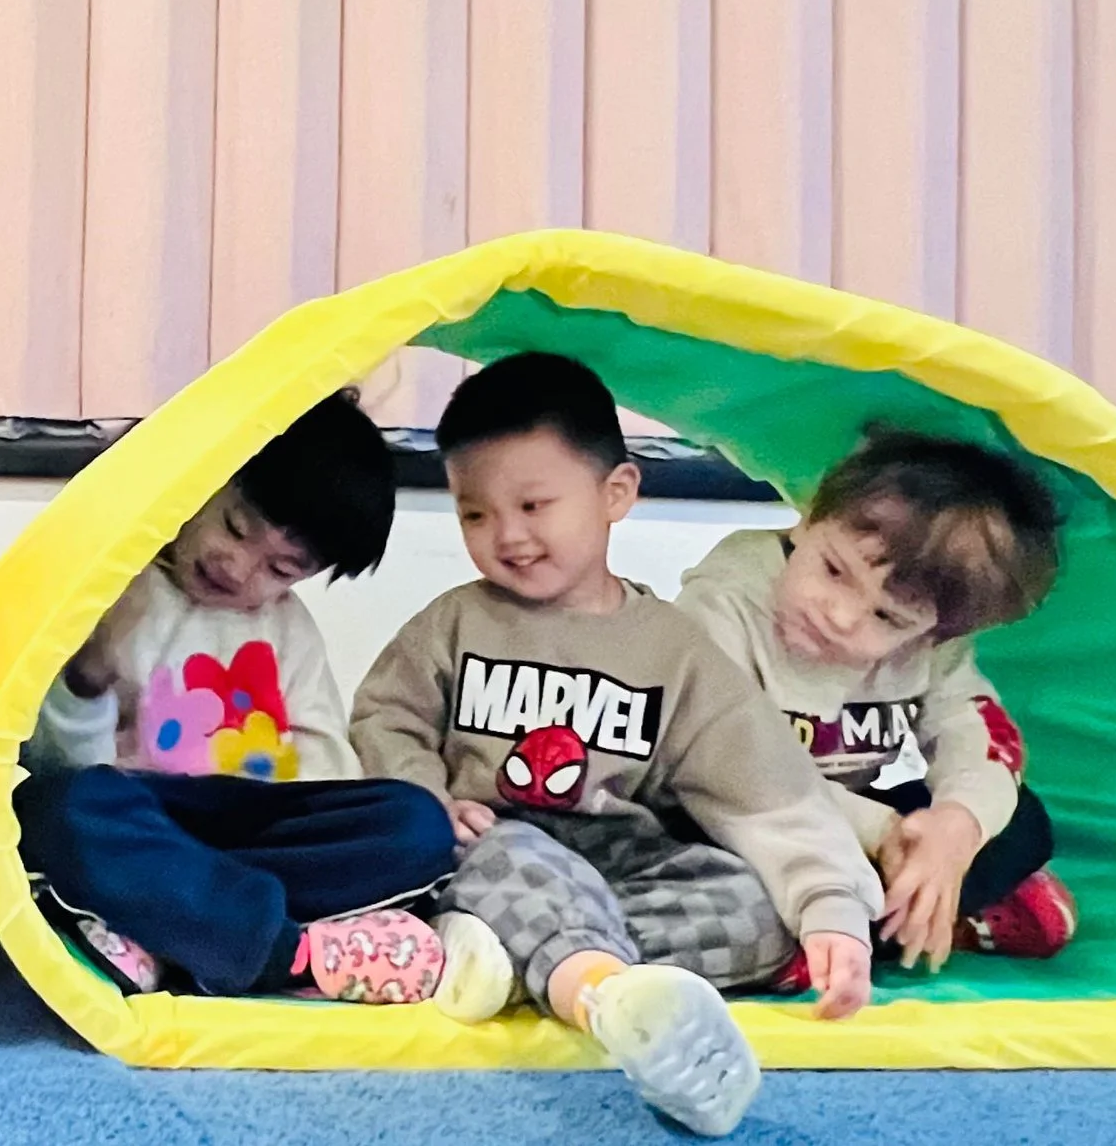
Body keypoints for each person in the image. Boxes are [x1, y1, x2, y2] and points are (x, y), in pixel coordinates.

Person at [352, 352, 883, 1137]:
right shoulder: (454, 622)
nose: (508, 536)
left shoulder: (675, 650)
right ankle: (608, 996)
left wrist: (831, 909)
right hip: (492, 843)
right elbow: (385, 716)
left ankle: (508, 959)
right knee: (511, 860)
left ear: (616, 494)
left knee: (757, 907)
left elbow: (764, 789)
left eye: (534, 504)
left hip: (620, 866)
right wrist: (427, 794)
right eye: (474, 513)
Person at [16, 393, 512, 1020]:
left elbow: (325, 768)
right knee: (53, 808)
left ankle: (167, 929)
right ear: (200, 484)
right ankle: (292, 955)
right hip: (145, 814)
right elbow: (62, 764)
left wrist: (358, 817)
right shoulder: (117, 589)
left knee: (414, 819)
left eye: (280, 567)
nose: (237, 566)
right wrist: (88, 674)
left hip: (249, 830)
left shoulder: (287, 630)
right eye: (234, 527)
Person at [675, 429, 1075, 973]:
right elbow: (725, 764)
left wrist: (952, 832)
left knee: (1021, 821)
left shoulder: (935, 647)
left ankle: (892, 920)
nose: (839, 615)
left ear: (936, 633)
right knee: (705, 857)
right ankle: (860, 932)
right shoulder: (725, 602)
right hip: (740, 814)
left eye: (887, 617)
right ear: (810, 518)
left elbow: (979, 738)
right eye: (833, 571)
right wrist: (880, 833)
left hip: (854, 824)